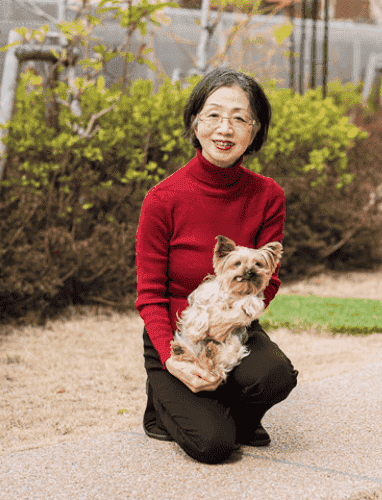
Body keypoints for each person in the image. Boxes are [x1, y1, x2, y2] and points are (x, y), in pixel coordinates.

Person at [135, 68, 298, 464]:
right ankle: (162, 403)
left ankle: (228, 408)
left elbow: (268, 278)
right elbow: (150, 295)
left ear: (255, 130)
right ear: (195, 122)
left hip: (235, 325)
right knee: (215, 446)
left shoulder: (267, 194)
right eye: (213, 115)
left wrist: (235, 320)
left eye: (240, 118)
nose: (225, 129)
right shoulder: (162, 198)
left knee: (276, 376)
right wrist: (170, 357)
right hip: (178, 335)